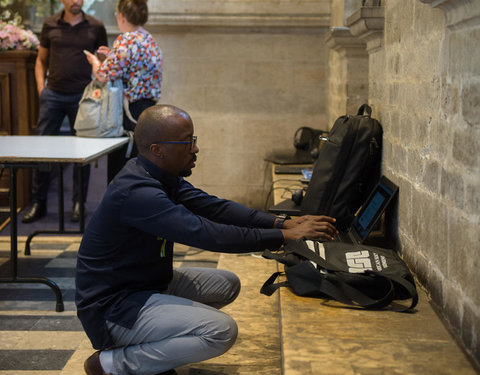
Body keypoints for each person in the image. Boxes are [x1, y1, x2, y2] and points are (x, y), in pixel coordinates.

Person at [76, 104, 338, 375]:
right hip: (114, 309)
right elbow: (209, 235)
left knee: (227, 284)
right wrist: (284, 237)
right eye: (187, 141)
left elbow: (216, 208)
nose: (195, 148)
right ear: (157, 149)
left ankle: (152, 346)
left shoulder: (157, 175)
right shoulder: (138, 192)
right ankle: (111, 365)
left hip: (146, 285)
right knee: (221, 331)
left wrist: (283, 223)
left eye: (193, 140)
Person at [21, 0, 108, 224]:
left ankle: (79, 204)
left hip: (83, 97)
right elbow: (40, 61)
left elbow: (103, 62)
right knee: (42, 148)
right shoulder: (50, 24)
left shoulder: (96, 26)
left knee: (82, 151)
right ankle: (38, 203)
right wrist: (41, 89)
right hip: (53, 95)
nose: (77, 1)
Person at [85, 0, 163, 182]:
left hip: (129, 113)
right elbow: (133, 67)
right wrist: (112, 55)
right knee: (142, 165)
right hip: (147, 110)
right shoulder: (149, 39)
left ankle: (117, 209)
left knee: (121, 167)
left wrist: (95, 62)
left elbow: (103, 75)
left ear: (121, 16)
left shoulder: (126, 39)